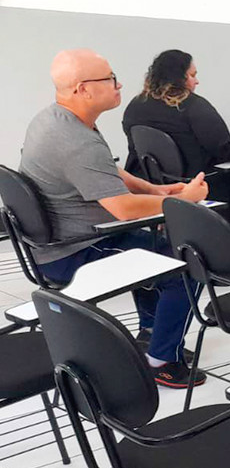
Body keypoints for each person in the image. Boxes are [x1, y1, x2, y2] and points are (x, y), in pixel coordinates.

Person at [19, 49, 209, 388]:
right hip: (71, 252)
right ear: (82, 89)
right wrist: (183, 200)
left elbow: (106, 170)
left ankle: (151, 334)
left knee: (153, 245)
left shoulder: (55, 118)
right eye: (109, 78)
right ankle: (162, 360)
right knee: (186, 264)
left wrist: (157, 190)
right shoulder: (75, 140)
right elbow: (122, 208)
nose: (118, 84)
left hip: (62, 242)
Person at [122, 49, 230, 268]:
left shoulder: (136, 105)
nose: (196, 81)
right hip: (200, 185)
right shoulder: (193, 106)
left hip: (153, 185)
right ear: (180, 77)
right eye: (193, 75)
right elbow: (223, 149)